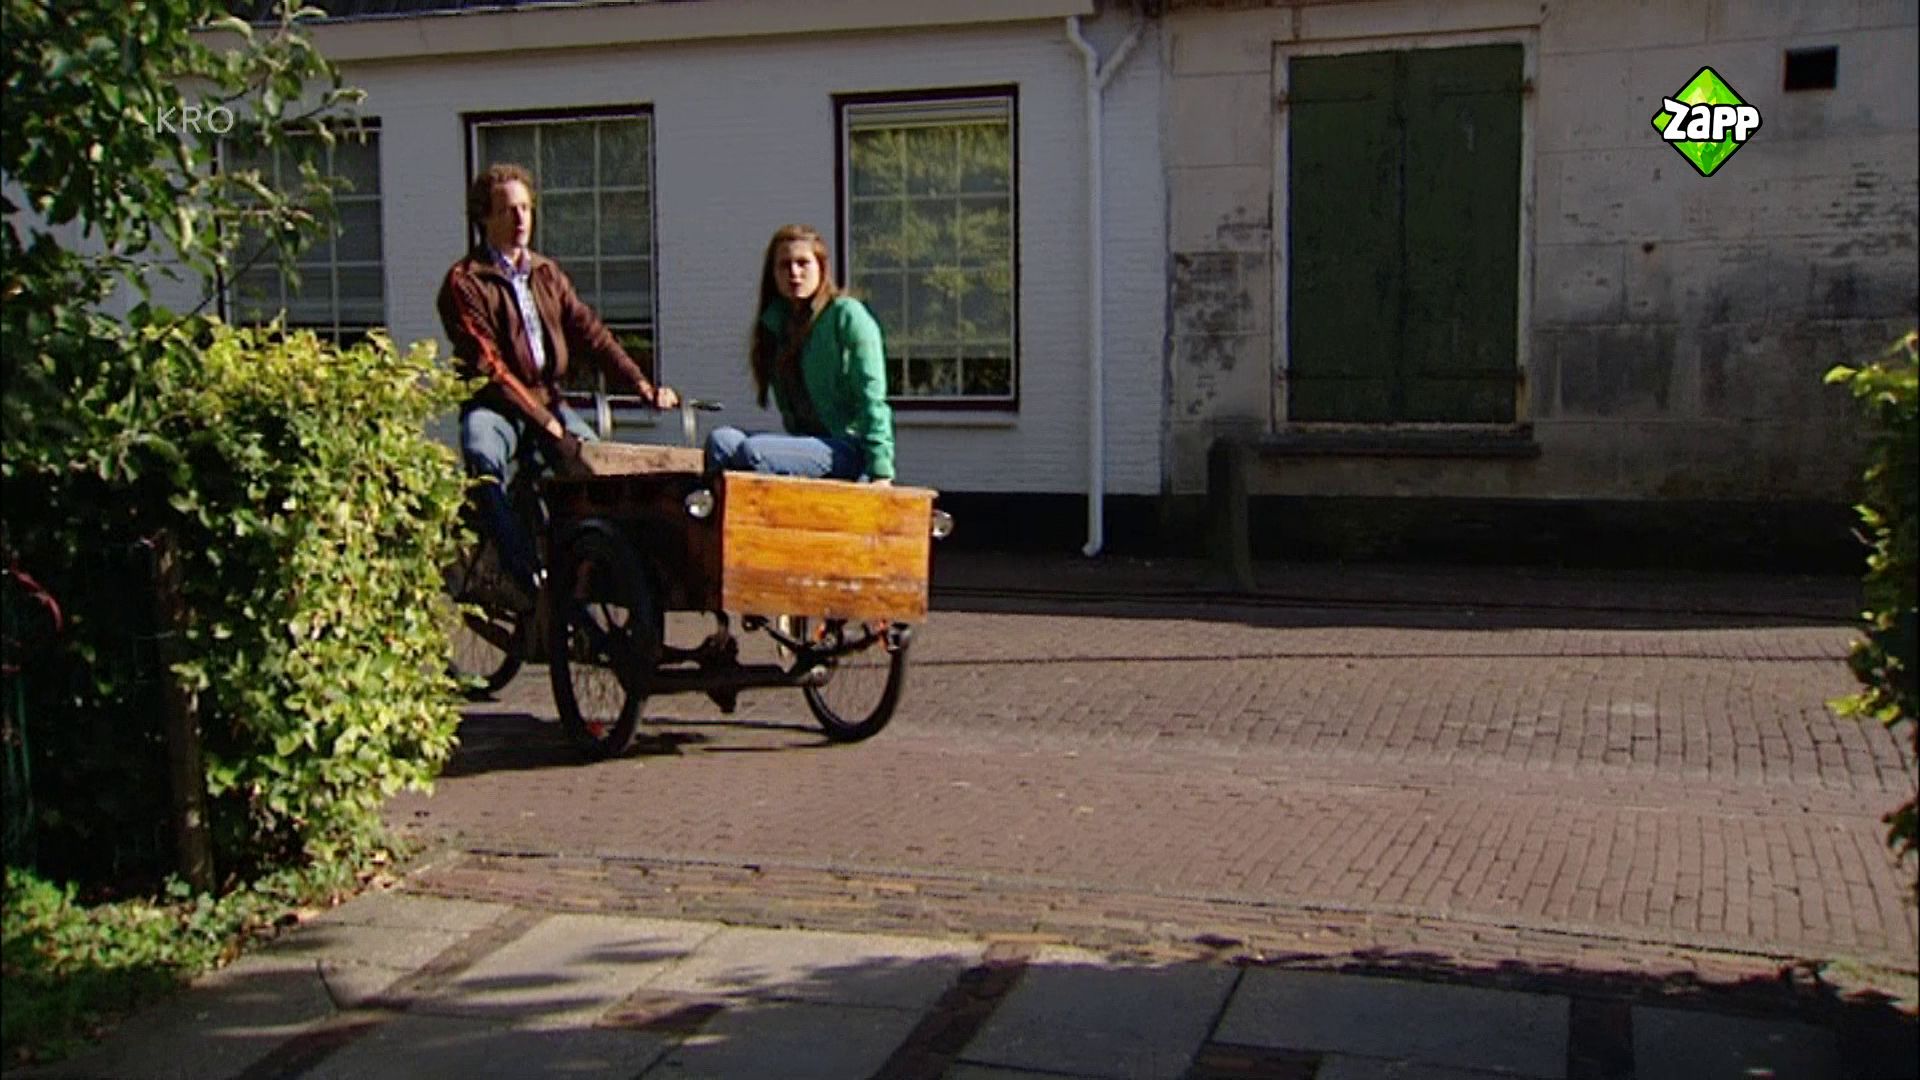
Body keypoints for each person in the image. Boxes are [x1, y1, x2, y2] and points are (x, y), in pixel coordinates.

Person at [438, 163, 678, 601]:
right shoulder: (464, 282)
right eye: (508, 210)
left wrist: (640, 384)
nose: (520, 218)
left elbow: (591, 333)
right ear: (484, 218)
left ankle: (597, 572)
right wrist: (546, 424)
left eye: (526, 208)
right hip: (495, 404)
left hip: (548, 399)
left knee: (599, 471)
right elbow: (491, 367)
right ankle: (521, 577)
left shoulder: (546, 273)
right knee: (482, 461)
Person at [705, 224, 894, 486]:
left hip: (849, 448)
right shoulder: (777, 325)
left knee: (754, 452)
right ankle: (714, 508)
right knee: (721, 440)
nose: (794, 273)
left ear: (821, 267)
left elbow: (872, 398)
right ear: (773, 274)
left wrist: (881, 472)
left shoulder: (846, 315)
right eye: (785, 265)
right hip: (807, 444)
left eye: (803, 263)